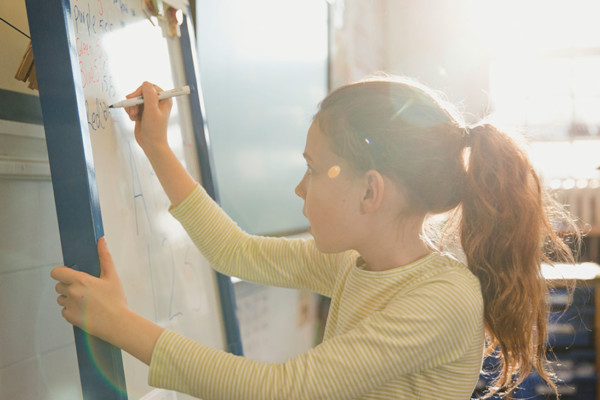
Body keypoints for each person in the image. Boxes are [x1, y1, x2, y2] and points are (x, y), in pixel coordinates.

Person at [51, 76, 577, 399]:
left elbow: (283, 391)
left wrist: (118, 324)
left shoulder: (442, 299)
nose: (299, 188)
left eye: (314, 169)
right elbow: (236, 251)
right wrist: (158, 148)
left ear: (370, 192)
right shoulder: (359, 263)